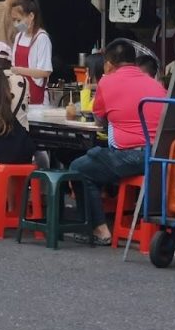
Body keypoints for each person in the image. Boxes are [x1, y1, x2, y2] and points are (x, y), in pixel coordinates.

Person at [68, 40, 167, 245]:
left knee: (79, 167)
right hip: (161, 155)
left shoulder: (107, 82)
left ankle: (99, 229)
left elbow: (99, 119)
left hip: (131, 156)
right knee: (94, 155)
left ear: (110, 63)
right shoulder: (154, 83)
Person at [9, 0, 53, 105]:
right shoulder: (19, 36)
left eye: (18, 20)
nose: (16, 24)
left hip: (37, 97)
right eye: (14, 20)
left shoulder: (42, 38)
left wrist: (18, 70)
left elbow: (45, 71)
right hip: (18, 93)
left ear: (31, 16)